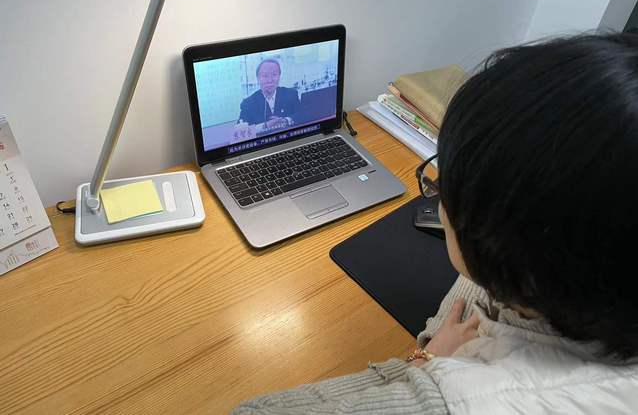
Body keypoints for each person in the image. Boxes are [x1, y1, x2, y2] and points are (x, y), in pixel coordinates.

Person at [231, 33, 638, 414]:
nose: (439, 195)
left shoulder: (451, 400)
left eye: (446, 186)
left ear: (503, 244)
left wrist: (424, 361)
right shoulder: (589, 273)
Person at [238, 59, 299, 130]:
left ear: (279, 76)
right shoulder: (248, 104)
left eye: (274, 75)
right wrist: (264, 126)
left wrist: (286, 120)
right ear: (258, 78)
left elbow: (301, 114)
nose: (270, 80)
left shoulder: (291, 94)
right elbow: (240, 131)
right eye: (265, 76)